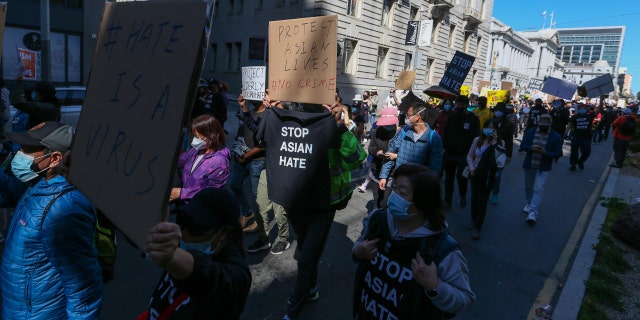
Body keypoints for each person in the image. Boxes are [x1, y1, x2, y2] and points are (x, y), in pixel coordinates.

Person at [257, 97, 364, 320]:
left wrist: (338, 126)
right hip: (297, 201)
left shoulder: (334, 127)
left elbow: (356, 159)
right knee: (307, 250)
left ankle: (293, 308)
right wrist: (270, 111)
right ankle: (311, 288)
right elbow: (260, 139)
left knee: (305, 258)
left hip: (324, 205)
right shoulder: (290, 123)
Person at [1, 121, 103, 319]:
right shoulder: (39, 183)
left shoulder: (65, 207)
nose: (19, 154)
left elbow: (83, 291)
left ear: (55, 158)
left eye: (28, 149)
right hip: (19, 311)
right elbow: (10, 192)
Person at [352, 163, 476, 319]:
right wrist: (358, 252)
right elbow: (358, 247)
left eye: (402, 192)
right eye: (394, 187)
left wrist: (434, 286)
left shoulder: (442, 249)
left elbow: (463, 299)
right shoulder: (377, 220)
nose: (394, 195)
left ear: (421, 204)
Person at [143, 187, 251, 319]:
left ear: (223, 232)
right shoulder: (181, 241)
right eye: (184, 221)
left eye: (197, 229)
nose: (185, 234)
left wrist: (171, 256)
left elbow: (208, 277)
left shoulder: (236, 276)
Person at [378, 104, 443, 196]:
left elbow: (435, 168)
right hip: (399, 183)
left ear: (417, 117)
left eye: (408, 115)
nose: (406, 117)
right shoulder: (404, 131)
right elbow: (389, 153)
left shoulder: (433, 138)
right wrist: (384, 176)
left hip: (418, 187)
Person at [229, 93, 268, 233]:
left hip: (257, 161)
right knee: (234, 185)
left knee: (257, 194)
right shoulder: (248, 113)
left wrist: (246, 156)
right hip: (241, 159)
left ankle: (259, 222)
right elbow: (240, 135)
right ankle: (247, 213)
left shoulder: (269, 116)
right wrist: (237, 152)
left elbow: (265, 143)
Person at [170, 114, 230, 203]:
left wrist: (182, 193)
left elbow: (213, 192)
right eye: (194, 136)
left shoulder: (219, 161)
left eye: (197, 137)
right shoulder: (197, 150)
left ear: (211, 136)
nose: (194, 140)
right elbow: (183, 159)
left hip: (200, 208)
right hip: (185, 204)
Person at [520, 114, 563, 224]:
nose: (544, 123)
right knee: (528, 186)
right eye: (542, 120)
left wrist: (546, 153)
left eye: (547, 121)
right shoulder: (530, 132)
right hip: (529, 165)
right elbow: (523, 145)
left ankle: (533, 212)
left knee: (538, 188)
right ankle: (529, 203)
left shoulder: (556, 137)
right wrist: (531, 148)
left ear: (550, 123)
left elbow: (558, 153)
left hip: (543, 167)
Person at [466, 119, 505, 239]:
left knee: (482, 201)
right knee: (474, 199)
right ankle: (473, 220)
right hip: (475, 174)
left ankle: (478, 226)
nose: (489, 130)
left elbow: (498, 161)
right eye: (487, 127)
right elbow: (470, 156)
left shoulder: (500, 143)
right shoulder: (477, 140)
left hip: (488, 176)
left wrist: (493, 143)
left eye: (492, 128)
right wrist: (472, 168)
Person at [442, 95, 479, 210]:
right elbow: (446, 133)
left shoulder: (473, 119)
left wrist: (472, 156)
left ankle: (462, 196)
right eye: (458, 104)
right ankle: (447, 201)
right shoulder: (452, 117)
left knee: (462, 178)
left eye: (462, 105)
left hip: (465, 155)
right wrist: (444, 148)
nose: (460, 107)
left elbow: (476, 137)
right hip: (450, 153)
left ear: (467, 106)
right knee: (448, 179)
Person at [359, 106, 399, 208]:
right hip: (376, 170)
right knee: (376, 198)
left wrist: (396, 156)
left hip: (392, 174)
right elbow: (371, 147)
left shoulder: (401, 134)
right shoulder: (377, 131)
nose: (387, 126)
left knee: (385, 201)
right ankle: (375, 216)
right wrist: (377, 152)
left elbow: (406, 154)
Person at [489, 103, 514, 204]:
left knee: (497, 175)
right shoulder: (490, 122)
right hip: (489, 149)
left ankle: (495, 193)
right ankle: (486, 190)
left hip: (500, 152)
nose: (498, 113)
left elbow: (509, 140)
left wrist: (509, 155)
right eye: (497, 110)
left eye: (500, 111)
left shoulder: (508, 124)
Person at [567, 104, 595, 171]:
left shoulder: (589, 116)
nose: (582, 109)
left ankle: (580, 161)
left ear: (586, 109)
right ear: (578, 109)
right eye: (581, 108)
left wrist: (601, 99)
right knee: (574, 152)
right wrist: (565, 133)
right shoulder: (574, 117)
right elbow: (569, 124)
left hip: (586, 138)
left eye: (584, 108)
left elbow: (599, 110)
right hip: (576, 137)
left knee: (586, 152)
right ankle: (573, 165)